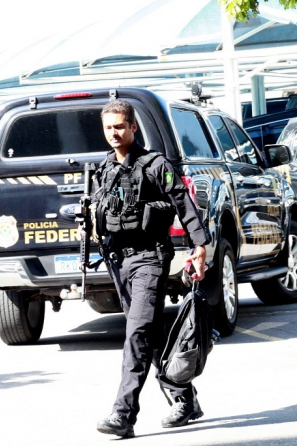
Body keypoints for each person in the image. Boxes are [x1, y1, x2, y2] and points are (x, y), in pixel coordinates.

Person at [92, 100, 210, 438]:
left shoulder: (156, 164)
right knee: (151, 335)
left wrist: (199, 246)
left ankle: (123, 414)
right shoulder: (104, 168)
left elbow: (183, 204)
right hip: (119, 261)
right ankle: (184, 399)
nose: (113, 133)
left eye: (119, 126)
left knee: (137, 334)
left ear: (132, 128)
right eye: (108, 128)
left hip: (150, 258)